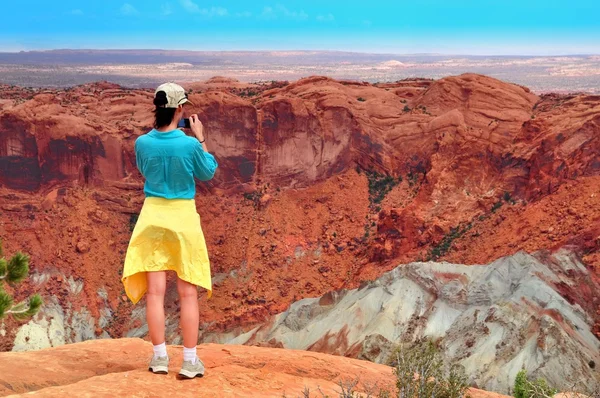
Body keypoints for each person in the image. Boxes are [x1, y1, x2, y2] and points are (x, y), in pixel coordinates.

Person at [121, 82, 217, 379]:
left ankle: (160, 358)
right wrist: (201, 139)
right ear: (179, 109)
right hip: (183, 218)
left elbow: (144, 170)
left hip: (152, 217)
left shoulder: (142, 143)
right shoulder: (188, 144)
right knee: (188, 293)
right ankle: (189, 361)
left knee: (155, 293)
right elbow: (208, 172)